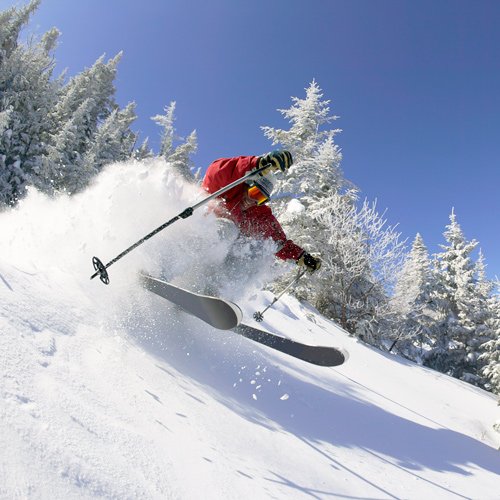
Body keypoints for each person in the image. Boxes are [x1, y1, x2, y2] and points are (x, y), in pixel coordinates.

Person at [202, 150, 321, 274]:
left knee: (256, 254)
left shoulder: (258, 215)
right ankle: (190, 263)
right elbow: (218, 170)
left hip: (219, 261)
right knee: (228, 228)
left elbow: (279, 242)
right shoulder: (227, 187)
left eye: (261, 198)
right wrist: (258, 164)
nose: (253, 201)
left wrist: (302, 257)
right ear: (247, 184)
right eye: (255, 193)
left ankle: (217, 289)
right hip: (199, 237)